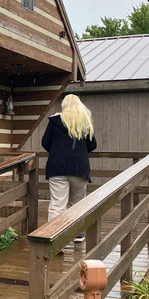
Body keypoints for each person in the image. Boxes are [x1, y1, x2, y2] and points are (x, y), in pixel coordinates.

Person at [41, 94, 97, 242]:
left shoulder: (54, 122)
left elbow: (45, 142)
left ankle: (53, 236)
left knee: (58, 204)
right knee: (77, 203)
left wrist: (58, 151)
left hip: (57, 168)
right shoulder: (84, 122)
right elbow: (93, 145)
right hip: (79, 168)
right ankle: (76, 233)